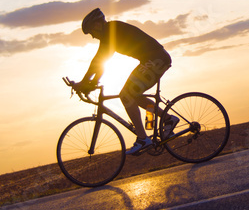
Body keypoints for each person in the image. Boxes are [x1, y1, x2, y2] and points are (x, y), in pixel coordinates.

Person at [75, 8, 179, 155]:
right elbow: (101, 61)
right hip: (153, 59)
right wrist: (90, 82)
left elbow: (99, 60)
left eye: (91, 32)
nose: (92, 36)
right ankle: (168, 120)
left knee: (126, 94)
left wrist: (85, 82)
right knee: (135, 95)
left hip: (155, 59)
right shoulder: (109, 32)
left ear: (97, 25)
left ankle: (143, 139)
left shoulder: (111, 31)